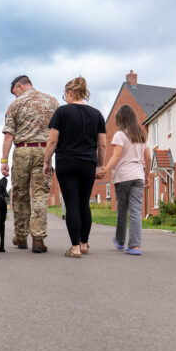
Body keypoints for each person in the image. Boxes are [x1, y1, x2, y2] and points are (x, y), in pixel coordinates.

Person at [43, 76, 106, 258]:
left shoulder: (62, 112)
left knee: (72, 203)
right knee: (84, 203)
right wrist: (100, 165)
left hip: (66, 163)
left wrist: (47, 162)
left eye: (65, 95)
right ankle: (84, 244)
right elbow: (102, 145)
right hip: (88, 163)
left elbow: (52, 140)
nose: (65, 98)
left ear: (70, 92)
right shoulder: (97, 114)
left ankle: (75, 248)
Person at [1, 75, 59, 253]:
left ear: (19, 86)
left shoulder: (15, 105)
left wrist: (3, 160)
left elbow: (9, 135)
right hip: (45, 151)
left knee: (19, 195)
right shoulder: (52, 101)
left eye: (15, 93)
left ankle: (20, 236)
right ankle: (38, 239)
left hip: (22, 151)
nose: (15, 97)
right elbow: (58, 132)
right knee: (40, 195)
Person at [96, 105, 151, 255]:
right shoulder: (141, 136)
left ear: (120, 119)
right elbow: (148, 158)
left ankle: (120, 242)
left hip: (123, 177)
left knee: (122, 210)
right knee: (136, 211)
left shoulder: (120, 135)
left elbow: (116, 156)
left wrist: (104, 170)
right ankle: (134, 246)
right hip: (138, 176)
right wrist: (146, 176)